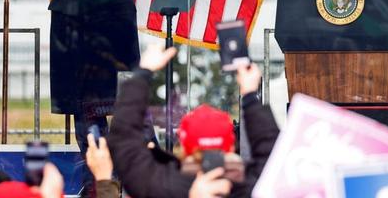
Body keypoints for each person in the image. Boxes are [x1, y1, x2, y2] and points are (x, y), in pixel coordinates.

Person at [9, 0, 147, 195]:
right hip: (70, 32)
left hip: (110, 31)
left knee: (118, 104)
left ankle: (125, 175)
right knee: (83, 106)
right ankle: (95, 181)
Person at [107, 44, 280, 198]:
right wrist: (250, 95)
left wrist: (143, 73)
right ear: (230, 144)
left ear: (183, 145)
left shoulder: (161, 185)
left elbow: (124, 139)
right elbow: (272, 151)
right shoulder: (258, 185)